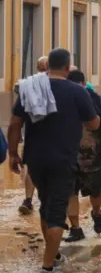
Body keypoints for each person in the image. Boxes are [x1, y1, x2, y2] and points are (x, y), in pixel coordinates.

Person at [6, 49, 100, 273]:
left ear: (48, 67)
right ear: (69, 68)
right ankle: (47, 269)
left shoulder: (30, 88)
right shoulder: (77, 92)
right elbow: (94, 123)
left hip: (35, 160)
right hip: (63, 160)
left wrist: (13, 154)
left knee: (45, 205)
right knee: (57, 212)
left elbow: (14, 124)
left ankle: (54, 254)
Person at [64, 70, 101, 242]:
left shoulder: (100, 103)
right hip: (69, 158)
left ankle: (96, 211)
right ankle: (76, 228)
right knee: (70, 192)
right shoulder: (62, 102)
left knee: (98, 191)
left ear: (82, 85)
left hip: (94, 158)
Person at [17, 56, 48, 215]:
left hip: (55, 139)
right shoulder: (28, 88)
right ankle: (28, 200)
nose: (43, 73)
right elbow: (18, 117)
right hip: (33, 137)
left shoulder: (60, 87)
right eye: (41, 69)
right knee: (30, 167)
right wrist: (18, 136)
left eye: (46, 69)